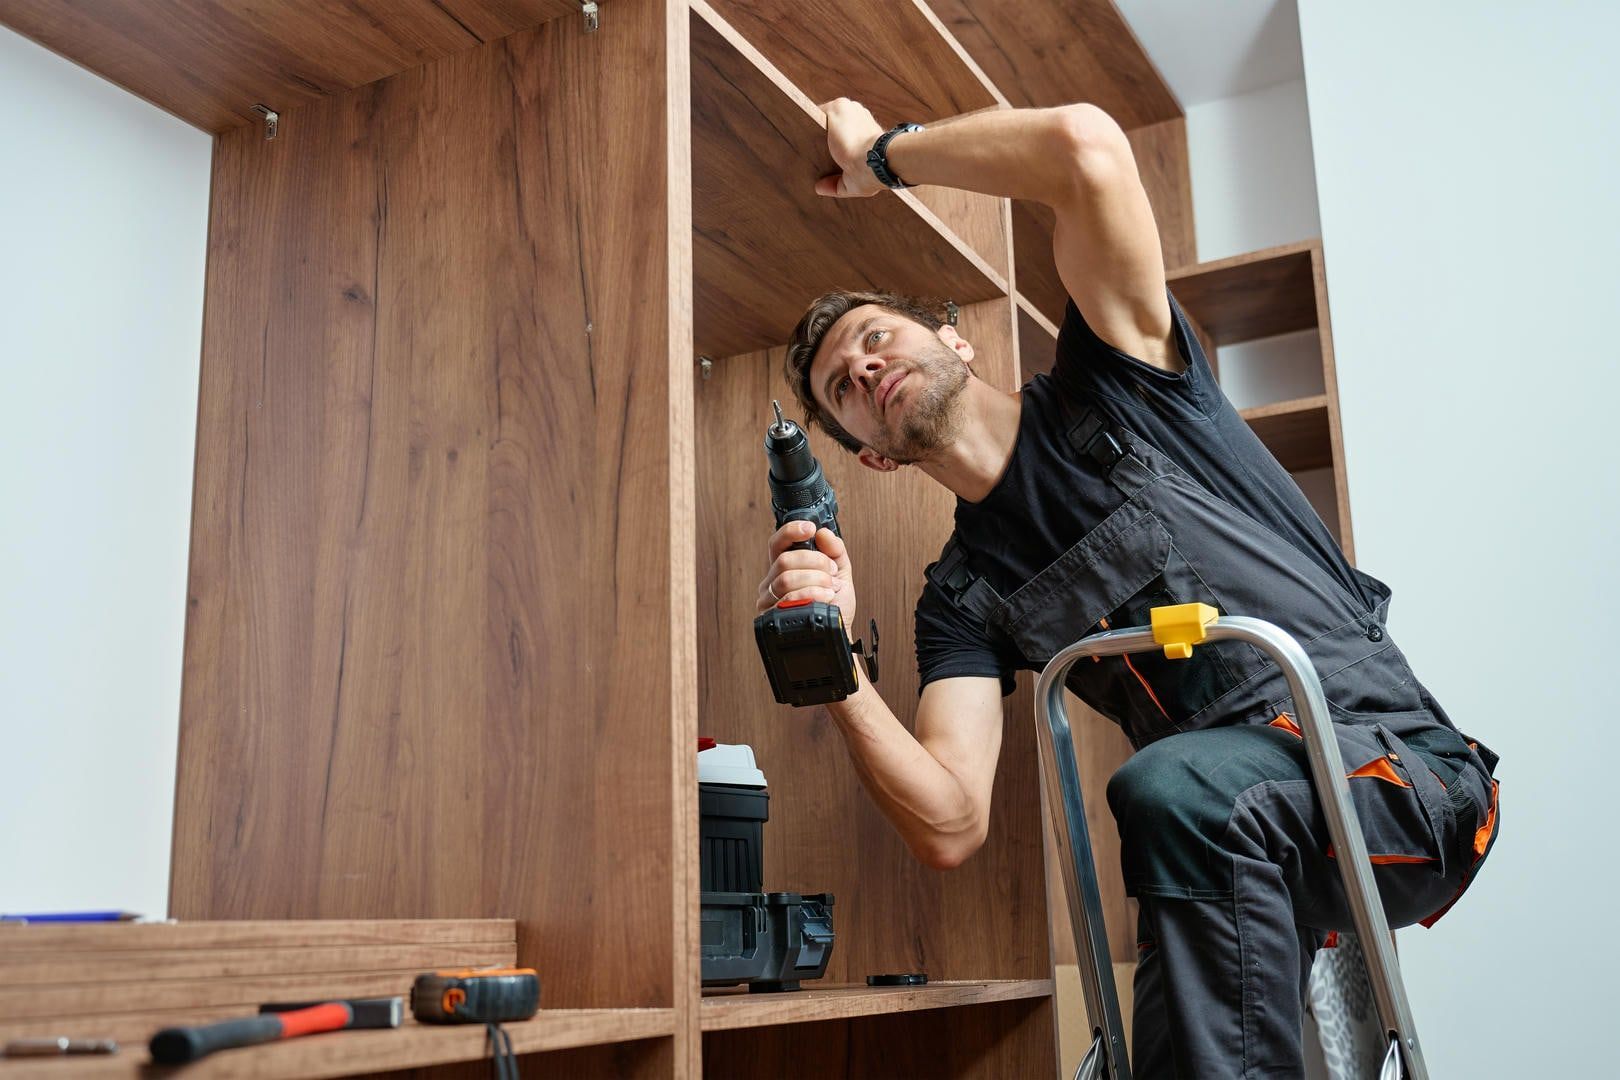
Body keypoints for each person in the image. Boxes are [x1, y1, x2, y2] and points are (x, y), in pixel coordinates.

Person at [756, 98, 1500, 1078]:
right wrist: (836, 668)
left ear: (957, 340)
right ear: (873, 459)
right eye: (845, 389)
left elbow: (1083, 149)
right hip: (1227, 842)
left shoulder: (1124, 378)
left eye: (874, 337)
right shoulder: (965, 596)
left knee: (1166, 788)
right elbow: (949, 819)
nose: (864, 365)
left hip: (1409, 786)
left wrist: (879, 156)